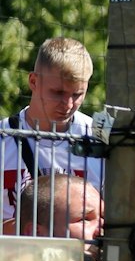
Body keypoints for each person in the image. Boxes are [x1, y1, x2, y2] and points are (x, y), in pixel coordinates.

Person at [2, 37, 106, 228]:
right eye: (57, 92)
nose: (67, 105)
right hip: (13, 254)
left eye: (77, 94)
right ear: (33, 81)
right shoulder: (3, 138)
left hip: (84, 255)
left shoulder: (100, 138)